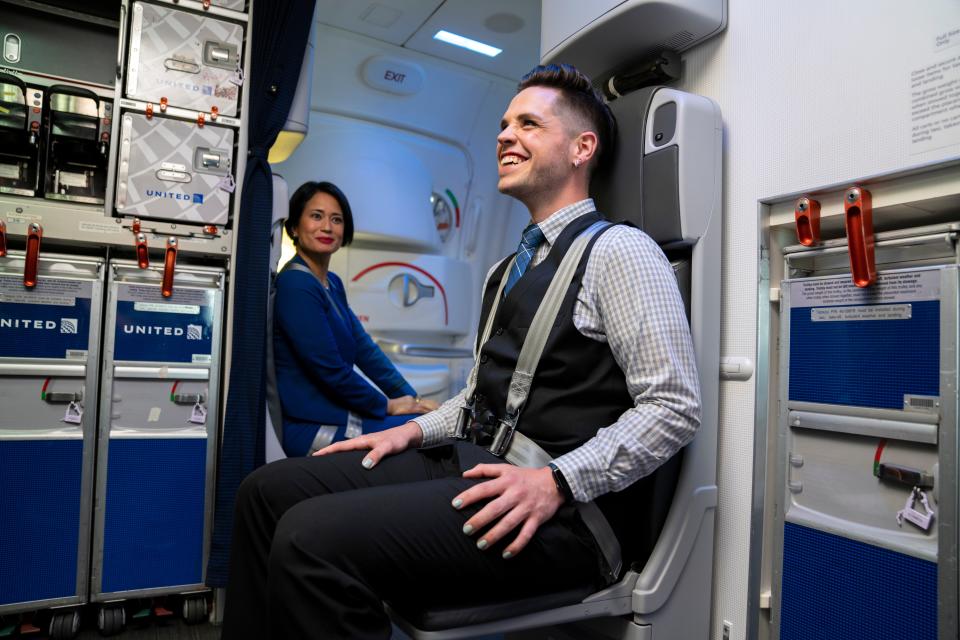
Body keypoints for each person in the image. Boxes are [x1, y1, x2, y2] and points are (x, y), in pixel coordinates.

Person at [223, 64, 701, 639]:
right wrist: (413, 430)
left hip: (565, 511)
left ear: (582, 148)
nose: (504, 135)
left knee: (309, 540)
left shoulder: (620, 251)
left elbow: (673, 407)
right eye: (503, 124)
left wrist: (557, 482)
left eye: (528, 123)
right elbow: (480, 398)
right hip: (477, 460)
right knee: (263, 493)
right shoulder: (506, 270)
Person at [273, 180, 438, 456]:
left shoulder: (331, 283)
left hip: (338, 415)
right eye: (316, 216)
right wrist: (389, 405)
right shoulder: (295, 285)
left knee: (427, 425)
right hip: (313, 427)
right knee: (423, 441)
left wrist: (413, 400)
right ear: (294, 228)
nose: (327, 227)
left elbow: (365, 350)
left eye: (336, 219)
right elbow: (331, 371)